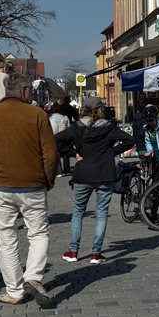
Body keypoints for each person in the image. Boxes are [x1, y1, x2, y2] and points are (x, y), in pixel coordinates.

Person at [0, 73, 58, 308]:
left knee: (6, 238)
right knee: (38, 233)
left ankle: (14, 291)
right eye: (30, 89)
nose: (32, 93)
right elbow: (50, 155)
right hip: (33, 185)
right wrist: (48, 180)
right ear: (23, 92)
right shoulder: (38, 115)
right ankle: (33, 277)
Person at [56, 104, 136, 264]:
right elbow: (130, 140)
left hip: (83, 174)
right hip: (104, 174)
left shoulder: (76, 128)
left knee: (78, 212)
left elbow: (56, 139)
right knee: (101, 214)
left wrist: (73, 153)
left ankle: (73, 252)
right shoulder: (108, 128)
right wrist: (111, 153)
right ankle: (95, 253)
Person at [49, 103, 73, 175]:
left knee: (57, 154)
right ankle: (67, 169)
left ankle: (59, 171)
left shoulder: (49, 117)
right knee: (66, 154)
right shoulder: (65, 118)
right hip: (64, 138)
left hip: (53, 137)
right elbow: (69, 128)